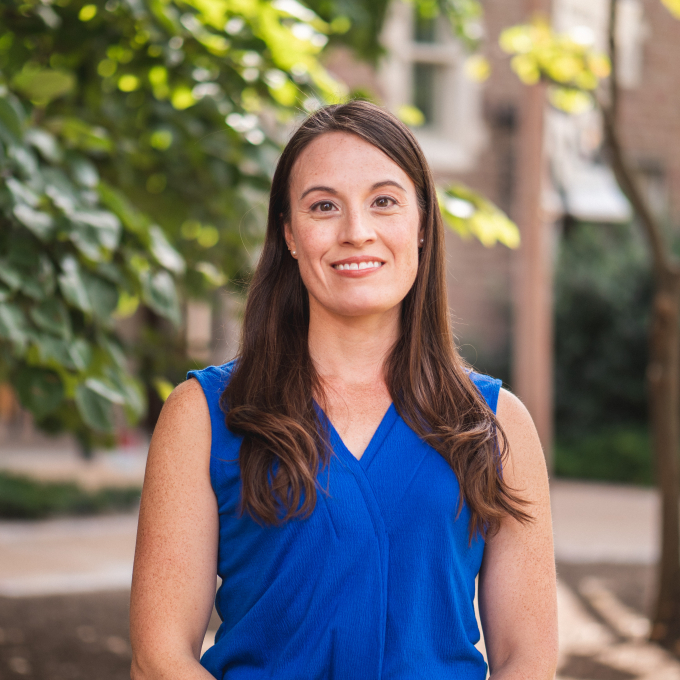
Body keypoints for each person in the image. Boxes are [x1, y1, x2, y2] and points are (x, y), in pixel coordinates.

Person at [129, 100, 558, 680]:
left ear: (423, 226)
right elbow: (159, 658)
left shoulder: (496, 425)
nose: (357, 232)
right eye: (324, 206)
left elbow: (527, 660)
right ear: (289, 234)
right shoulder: (203, 416)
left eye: (384, 201)